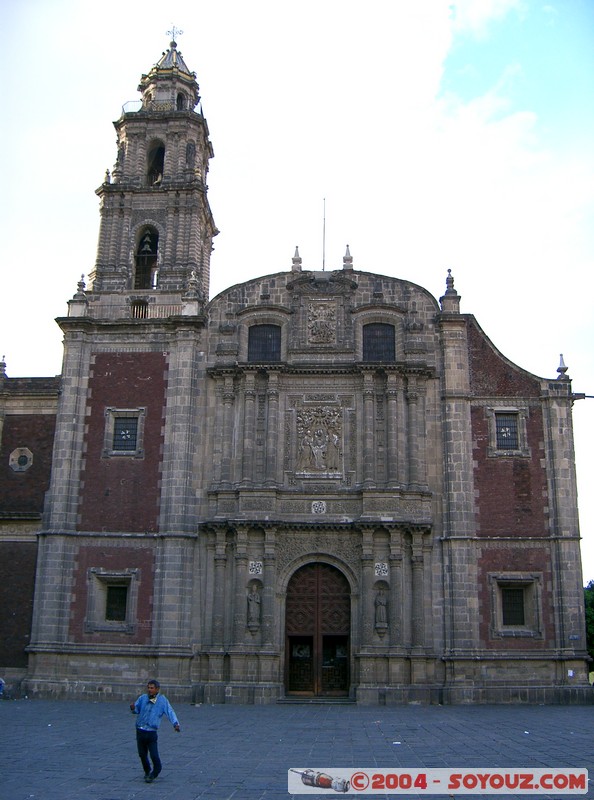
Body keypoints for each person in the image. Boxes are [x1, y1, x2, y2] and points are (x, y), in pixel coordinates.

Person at [130, 679, 180, 783]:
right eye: (148, 687)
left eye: (152, 688)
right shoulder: (143, 698)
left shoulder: (162, 700)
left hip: (151, 732)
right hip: (140, 730)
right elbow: (136, 710)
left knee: (154, 754)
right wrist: (133, 708)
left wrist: (175, 723)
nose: (149, 690)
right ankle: (147, 771)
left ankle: (156, 771)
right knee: (142, 754)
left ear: (157, 689)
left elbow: (170, 711)